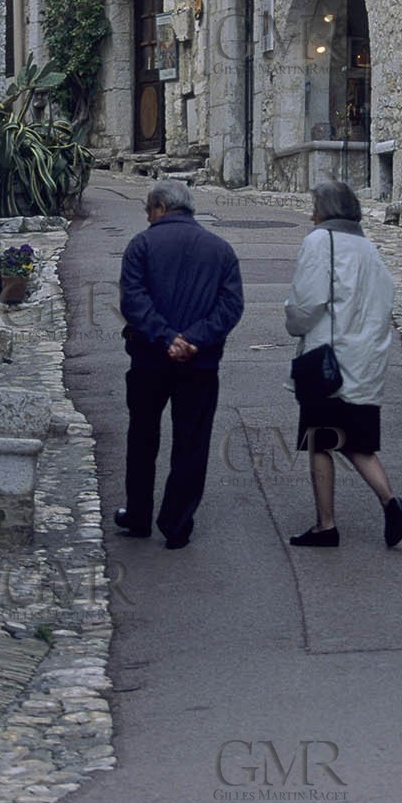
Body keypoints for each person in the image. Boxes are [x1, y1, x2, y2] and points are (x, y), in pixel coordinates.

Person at [117, 179, 244, 549]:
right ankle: (176, 522)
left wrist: (166, 337)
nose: (147, 217)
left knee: (142, 437)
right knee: (192, 442)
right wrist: (194, 339)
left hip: (148, 359)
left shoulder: (141, 245)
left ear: (158, 207)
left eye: (147, 210)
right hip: (200, 364)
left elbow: (134, 300)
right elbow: (231, 306)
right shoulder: (221, 250)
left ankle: (138, 514)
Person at [284, 178, 402, 548]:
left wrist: (292, 323)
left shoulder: (321, 241)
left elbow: (307, 302)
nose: (311, 214)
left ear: (325, 211)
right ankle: (390, 500)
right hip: (365, 360)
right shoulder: (369, 248)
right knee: (357, 441)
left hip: (328, 360)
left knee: (320, 441)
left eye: (315, 207)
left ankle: (326, 524)